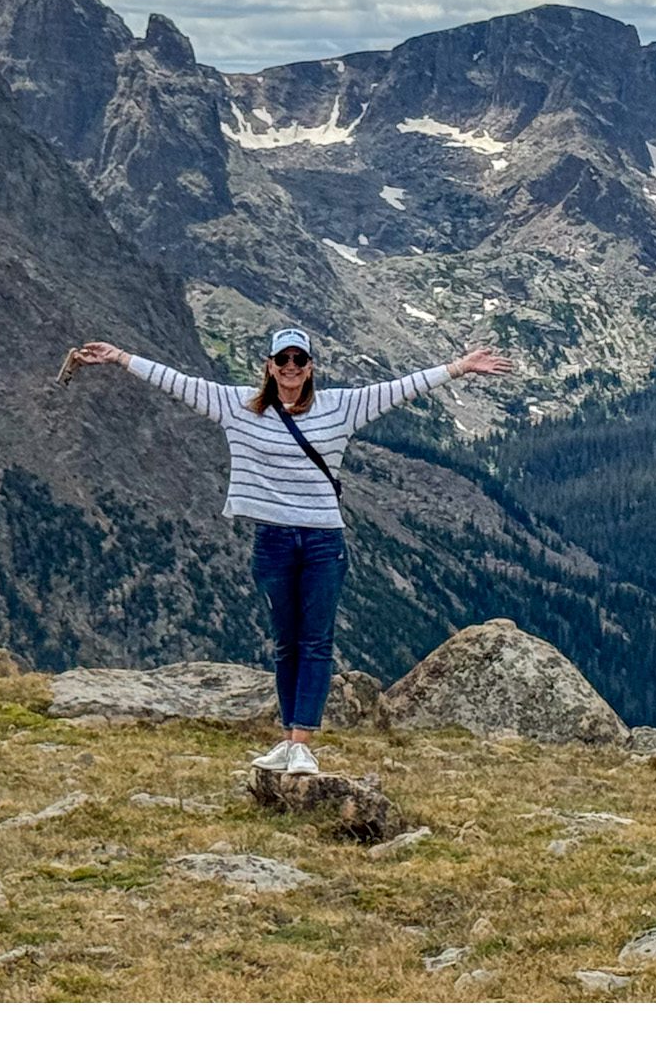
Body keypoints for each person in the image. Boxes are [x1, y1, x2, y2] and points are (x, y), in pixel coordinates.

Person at [68, 329, 512, 773]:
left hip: (323, 542)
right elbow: (178, 382)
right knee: (286, 644)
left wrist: (459, 367)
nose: (291, 367)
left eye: (300, 359)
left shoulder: (340, 407)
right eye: (284, 359)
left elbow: (399, 388)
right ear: (270, 365)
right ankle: (287, 740)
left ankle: (301, 741)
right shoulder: (238, 405)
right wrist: (120, 358)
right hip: (274, 541)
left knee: (315, 642)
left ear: (310, 366)